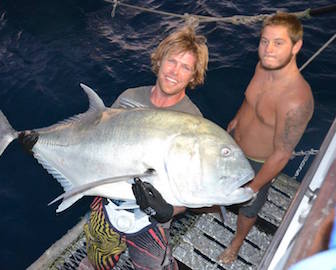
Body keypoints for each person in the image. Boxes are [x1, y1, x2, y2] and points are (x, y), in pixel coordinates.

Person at [78, 26, 209, 270]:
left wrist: (169, 210)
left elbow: (197, 185)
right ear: (160, 61)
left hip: (151, 223)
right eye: (172, 61)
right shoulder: (130, 98)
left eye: (186, 67)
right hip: (109, 205)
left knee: (153, 266)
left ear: (193, 77)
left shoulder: (194, 123)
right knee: (96, 259)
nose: (175, 72)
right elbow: (101, 145)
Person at [218, 12, 314, 264]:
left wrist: (254, 187)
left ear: (296, 46)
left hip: (258, 162)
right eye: (264, 41)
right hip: (234, 144)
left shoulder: (296, 100)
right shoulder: (262, 66)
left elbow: (282, 154)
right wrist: (236, 120)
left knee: (248, 209)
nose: (268, 50)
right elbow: (249, 101)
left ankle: (237, 243)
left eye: (278, 42)